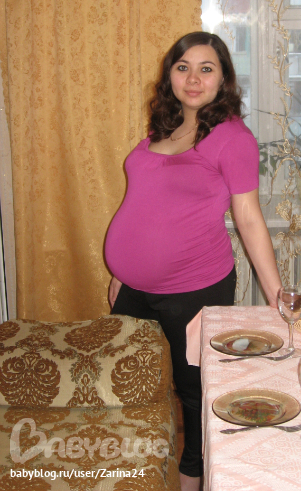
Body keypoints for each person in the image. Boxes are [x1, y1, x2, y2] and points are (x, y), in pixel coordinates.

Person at [105, 31, 282, 491]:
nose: (193, 78)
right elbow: (144, 202)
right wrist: (121, 271)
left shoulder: (232, 138)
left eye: (207, 69)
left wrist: (277, 296)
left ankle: (195, 483)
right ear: (170, 75)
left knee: (195, 394)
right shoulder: (163, 128)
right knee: (130, 382)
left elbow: (248, 218)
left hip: (195, 289)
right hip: (134, 289)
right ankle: (135, 471)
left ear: (224, 79)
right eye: (183, 67)